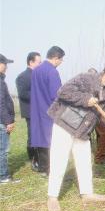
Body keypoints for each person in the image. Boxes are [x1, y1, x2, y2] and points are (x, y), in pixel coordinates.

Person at [46, 57, 105, 211]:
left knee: (84, 161)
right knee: (59, 160)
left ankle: (87, 193)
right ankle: (52, 197)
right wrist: (85, 99)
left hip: (83, 130)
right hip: (65, 124)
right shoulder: (86, 78)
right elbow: (63, 91)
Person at [30, 46, 64, 175]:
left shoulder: (36, 70)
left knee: (41, 139)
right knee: (52, 140)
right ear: (56, 58)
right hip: (50, 110)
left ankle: (43, 168)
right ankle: (52, 170)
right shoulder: (52, 71)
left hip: (37, 108)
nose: (61, 63)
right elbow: (56, 94)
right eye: (61, 60)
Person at [16, 52, 42, 171]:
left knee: (40, 135)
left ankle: (41, 158)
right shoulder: (22, 76)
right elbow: (23, 94)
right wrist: (39, 95)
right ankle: (33, 160)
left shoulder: (38, 75)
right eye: (39, 62)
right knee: (32, 136)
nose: (40, 64)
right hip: (31, 112)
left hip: (40, 111)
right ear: (31, 62)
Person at [0, 54, 20, 184]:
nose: (6, 67)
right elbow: (1, 103)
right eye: (5, 64)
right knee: (2, 150)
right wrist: (8, 121)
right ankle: (4, 176)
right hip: (1, 122)